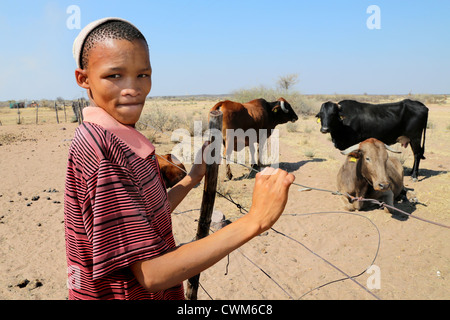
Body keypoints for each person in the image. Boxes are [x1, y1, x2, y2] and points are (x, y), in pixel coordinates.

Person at [64, 17, 295, 300]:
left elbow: (146, 217)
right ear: (83, 79)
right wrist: (255, 220)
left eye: (143, 75)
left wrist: (192, 177)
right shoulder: (104, 152)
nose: (132, 88)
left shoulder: (121, 139)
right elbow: (150, 275)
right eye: (114, 75)